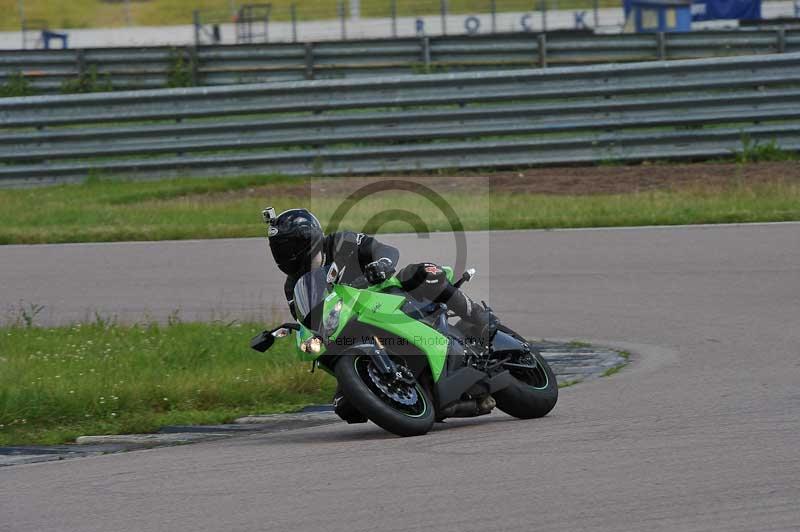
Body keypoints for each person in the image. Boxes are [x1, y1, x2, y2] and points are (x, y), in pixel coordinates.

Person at [263, 207, 498, 422]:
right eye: (278, 249)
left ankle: (479, 316)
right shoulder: (292, 286)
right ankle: (416, 395)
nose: (284, 254)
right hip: (350, 327)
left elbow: (382, 249)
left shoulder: (340, 242)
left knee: (423, 272)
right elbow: (310, 318)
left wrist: (382, 263)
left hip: (385, 296)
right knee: (345, 407)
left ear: (308, 239)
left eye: (288, 246)